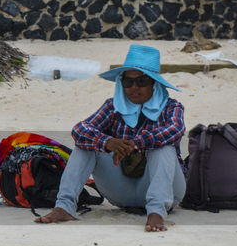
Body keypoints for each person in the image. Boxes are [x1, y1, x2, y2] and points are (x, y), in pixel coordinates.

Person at [36, 44, 187, 233]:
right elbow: (80, 130)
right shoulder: (113, 107)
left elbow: (175, 130)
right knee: (86, 144)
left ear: (154, 84)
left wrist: (135, 144)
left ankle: (156, 212)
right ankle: (64, 206)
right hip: (122, 190)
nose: (133, 87)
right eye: (127, 82)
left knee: (164, 147)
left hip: (167, 192)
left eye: (141, 81)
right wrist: (106, 142)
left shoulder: (172, 107)